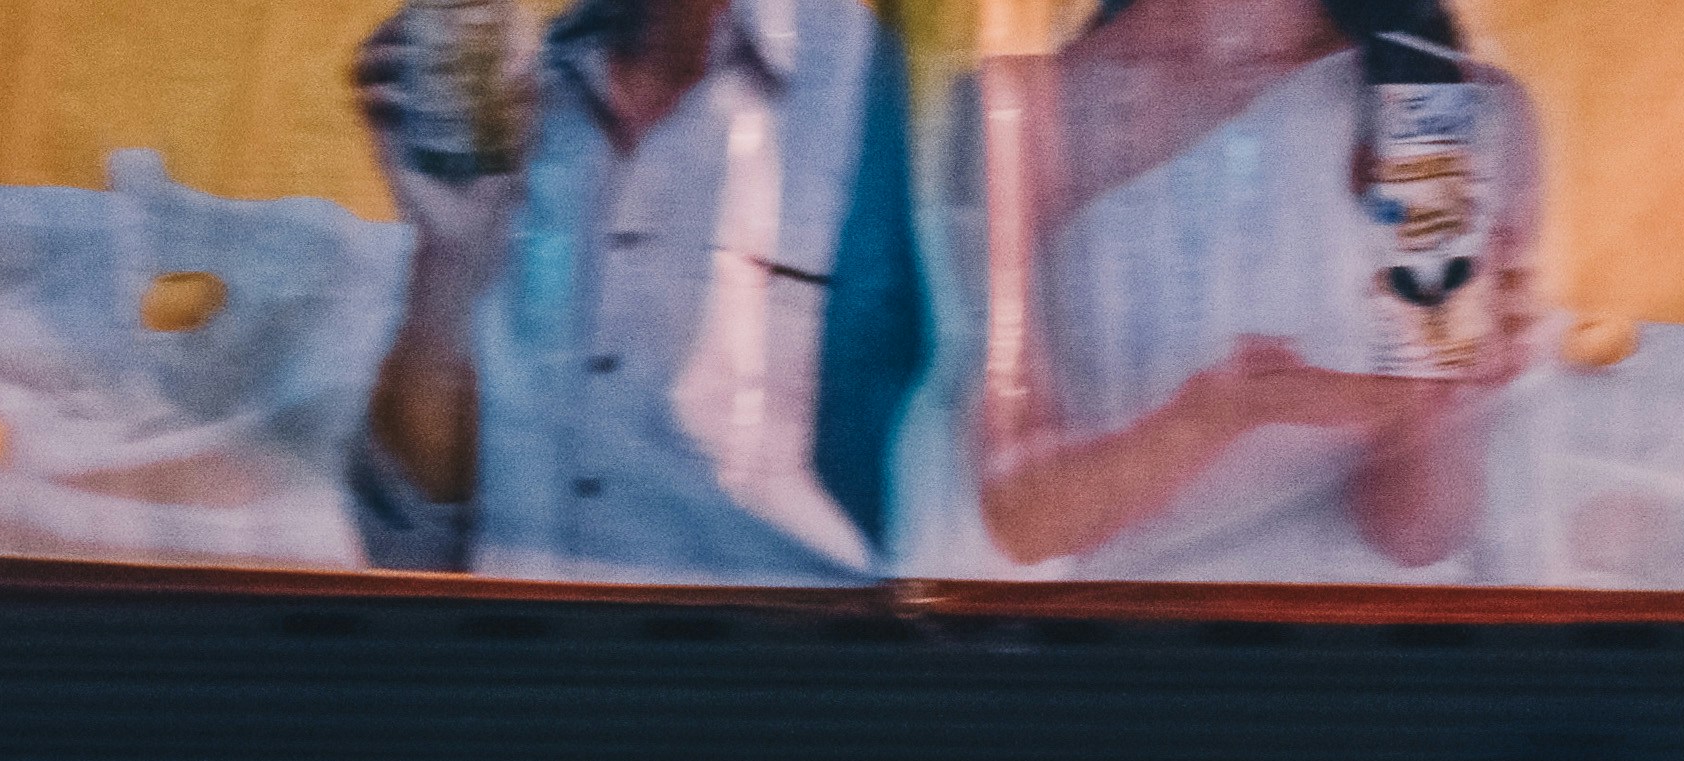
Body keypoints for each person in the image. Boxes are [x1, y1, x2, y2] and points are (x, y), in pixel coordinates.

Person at [347, 0, 927, 580]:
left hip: (788, 638)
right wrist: (447, 265)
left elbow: (950, 534)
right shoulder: (520, 89)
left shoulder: (880, 86)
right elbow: (409, 550)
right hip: (515, 636)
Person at [968, 0, 1528, 577]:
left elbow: (1419, 533)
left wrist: (1437, 400)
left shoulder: (1436, 98)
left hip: (1372, 621)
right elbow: (1025, 520)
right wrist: (1221, 411)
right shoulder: (1024, 110)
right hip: (1132, 621)